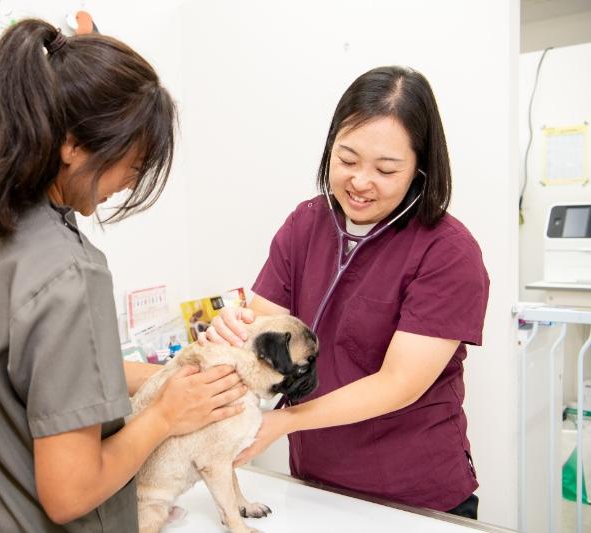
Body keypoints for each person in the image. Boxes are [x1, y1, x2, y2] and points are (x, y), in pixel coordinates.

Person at [0, 19, 247, 532]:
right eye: (133, 165)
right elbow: (69, 494)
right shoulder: (71, 274)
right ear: (71, 143)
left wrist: (171, 377)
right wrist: (164, 416)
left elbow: (35, 375)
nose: (129, 182)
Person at [200, 65, 490, 519]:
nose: (359, 182)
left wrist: (281, 421)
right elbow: (264, 332)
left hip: (412, 495)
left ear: (420, 168)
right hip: (313, 482)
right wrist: (233, 329)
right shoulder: (306, 224)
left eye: (386, 169)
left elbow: (399, 383)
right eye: (347, 160)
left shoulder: (448, 252)